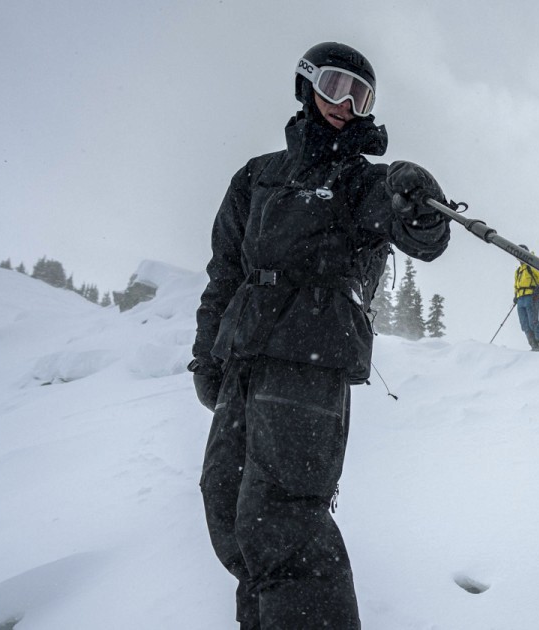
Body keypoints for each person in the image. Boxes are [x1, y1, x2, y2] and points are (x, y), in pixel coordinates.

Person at [189, 42, 451, 629]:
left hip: (310, 358)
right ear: (307, 85)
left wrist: (418, 201)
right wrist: (208, 355)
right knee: (227, 505)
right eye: (336, 87)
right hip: (245, 360)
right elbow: (224, 272)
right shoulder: (257, 176)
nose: (347, 103)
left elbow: (422, 237)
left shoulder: (362, 183)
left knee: (281, 516)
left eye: (361, 95)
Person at [514, 244, 539, 350]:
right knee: (524, 323)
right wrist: (516, 295)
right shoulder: (518, 271)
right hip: (521, 298)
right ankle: (534, 344)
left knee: (533, 321)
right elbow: (516, 285)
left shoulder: (532, 264)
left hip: (531, 296)